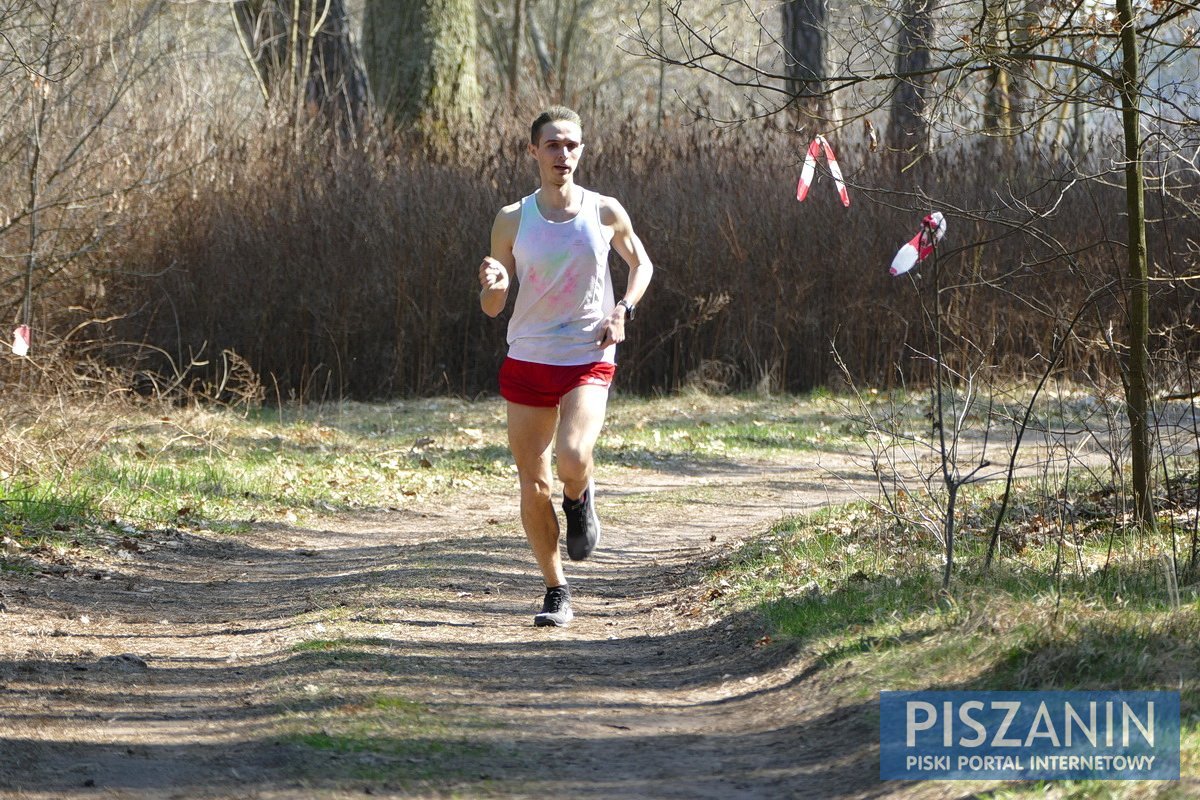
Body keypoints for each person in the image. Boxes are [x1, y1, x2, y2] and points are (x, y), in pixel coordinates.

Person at [478, 106, 653, 628]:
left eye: (572, 145)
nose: (564, 154)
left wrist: (624, 309)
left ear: (582, 150)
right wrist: (494, 285)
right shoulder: (512, 218)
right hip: (528, 356)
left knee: (573, 455)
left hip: (587, 354)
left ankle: (580, 496)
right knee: (533, 482)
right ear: (533, 151)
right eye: (553, 145)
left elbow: (641, 263)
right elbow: (493, 307)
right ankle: (556, 589)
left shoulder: (604, 211)